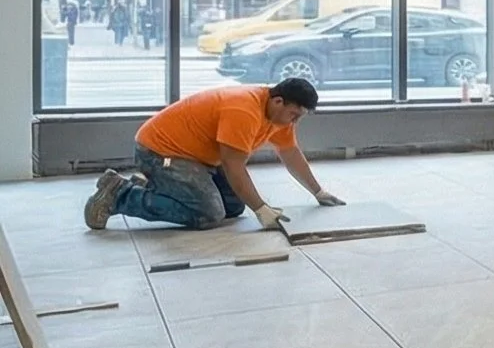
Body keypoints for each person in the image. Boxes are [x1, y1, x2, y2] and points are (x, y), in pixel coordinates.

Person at [83, 77, 341, 232]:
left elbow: (290, 153)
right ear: (278, 101)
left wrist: (318, 192)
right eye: (294, 115)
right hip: (160, 151)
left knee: (233, 206)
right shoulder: (244, 110)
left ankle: (162, 187)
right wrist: (261, 209)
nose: (294, 122)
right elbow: (233, 166)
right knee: (208, 214)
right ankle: (120, 194)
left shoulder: (278, 117)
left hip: (196, 158)